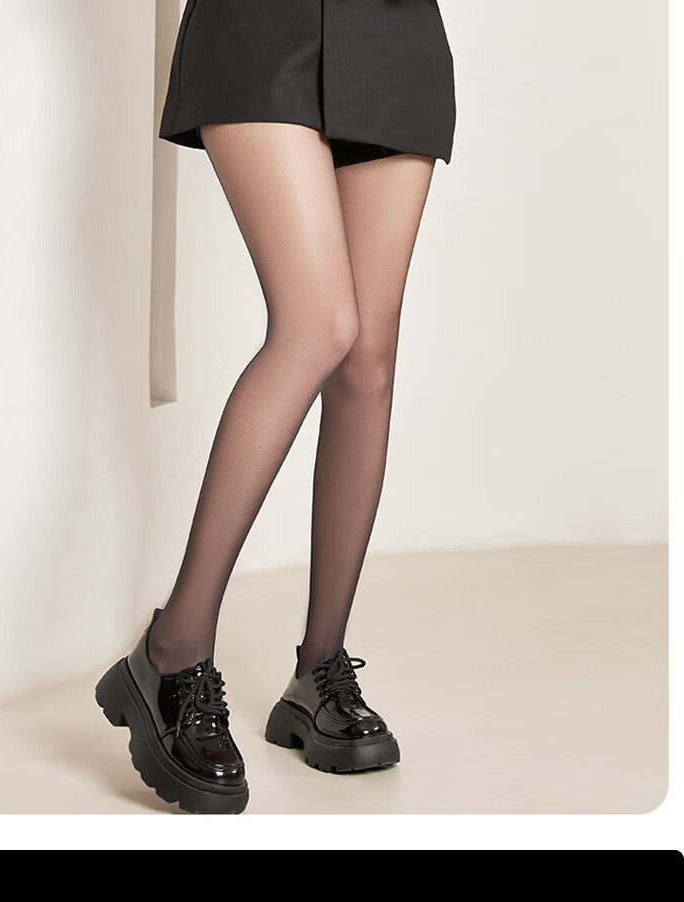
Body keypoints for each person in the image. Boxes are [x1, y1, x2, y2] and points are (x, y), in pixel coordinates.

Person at [96, 0, 456, 814]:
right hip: (261, 22)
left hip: (392, 31)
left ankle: (318, 674)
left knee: (367, 360)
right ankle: (172, 650)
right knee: (319, 324)